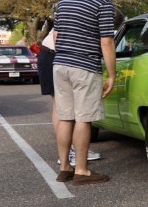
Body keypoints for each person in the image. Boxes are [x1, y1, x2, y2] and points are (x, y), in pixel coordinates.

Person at [52, 0, 117, 185]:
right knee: (83, 118)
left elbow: (56, 34)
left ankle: (64, 167)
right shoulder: (103, 3)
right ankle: (82, 170)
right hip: (84, 65)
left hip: (60, 64)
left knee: (65, 117)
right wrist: (111, 74)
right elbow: (106, 41)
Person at [38, 26, 102, 168]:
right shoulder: (94, 17)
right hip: (58, 55)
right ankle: (73, 152)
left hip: (49, 54)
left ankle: (68, 155)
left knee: (60, 107)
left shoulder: (69, 12)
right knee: (66, 109)